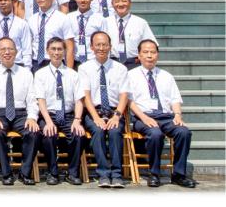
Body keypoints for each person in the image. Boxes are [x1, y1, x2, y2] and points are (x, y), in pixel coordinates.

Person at [126, 39, 196, 187]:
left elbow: (175, 99)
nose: (149, 55)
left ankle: (178, 175)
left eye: (153, 52)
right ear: (139, 55)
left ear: (157, 55)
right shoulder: (130, 75)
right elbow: (129, 101)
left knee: (184, 132)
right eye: (145, 52)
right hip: (142, 117)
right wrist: (144, 118)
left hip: (166, 117)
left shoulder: (166, 76)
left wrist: (177, 115)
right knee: (155, 134)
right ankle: (154, 174)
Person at [0, 37, 40, 185]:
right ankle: (6, 173)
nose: (7, 52)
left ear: (16, 51)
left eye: (10, 49)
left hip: (21, 113)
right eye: (3, 49)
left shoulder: (26, 73)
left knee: (33, 132)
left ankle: (24, 173)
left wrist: (32, 117)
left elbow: (32, 99)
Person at [32, 37, 87, 185]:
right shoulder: (40, 74)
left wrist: (77, 120)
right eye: (53, 49)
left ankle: (73, 173)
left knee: (78, 135)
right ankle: (53, 172)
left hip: (68, 115)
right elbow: (40, 100)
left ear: (65, 51)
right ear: (47, 51)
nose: (56, 52)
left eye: (60, 49)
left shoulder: (73, 74)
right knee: (48, 134)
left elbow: (79, 100)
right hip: (48, 115)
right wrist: (48, 122)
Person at [78, 30, 129, 187]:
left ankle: (117, 175)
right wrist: (96, 118)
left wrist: (117, 116)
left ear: (110, 46)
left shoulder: (120, 68)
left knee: (115, 132)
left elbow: (124, 95)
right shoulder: (84, 68)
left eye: (104, 45)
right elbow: (85, 96)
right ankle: (104, 174)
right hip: (94, 111)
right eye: (98, 45)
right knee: (98, 131)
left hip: (114, 111)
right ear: (91, 47)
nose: (101, 48)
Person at [103, 0, 157, 69]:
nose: (121, 4)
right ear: (112, 4)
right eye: (117, 1)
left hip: (134, 64)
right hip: (112, 64)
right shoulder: (105, 22)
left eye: (124, 1)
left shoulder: (141, 22)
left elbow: (152, 45)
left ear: (130, 3)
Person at [27, 0, 70, 71]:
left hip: (56, 61)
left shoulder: (62, 18)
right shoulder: (31, 19)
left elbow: (69, 46)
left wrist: (69, 71)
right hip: (36, 62)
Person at [0, 0, 32, 68]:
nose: (3, 2)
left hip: (17, 64)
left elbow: (27, 49)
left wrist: (27, 68)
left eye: (6, 0)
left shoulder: (22, 24)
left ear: (13, 2)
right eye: (0, 0)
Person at [63, 0, 96, 69]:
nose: (82, 0)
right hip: (74, 62)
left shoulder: (100, 19)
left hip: (92, 62)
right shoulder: (68, 18)